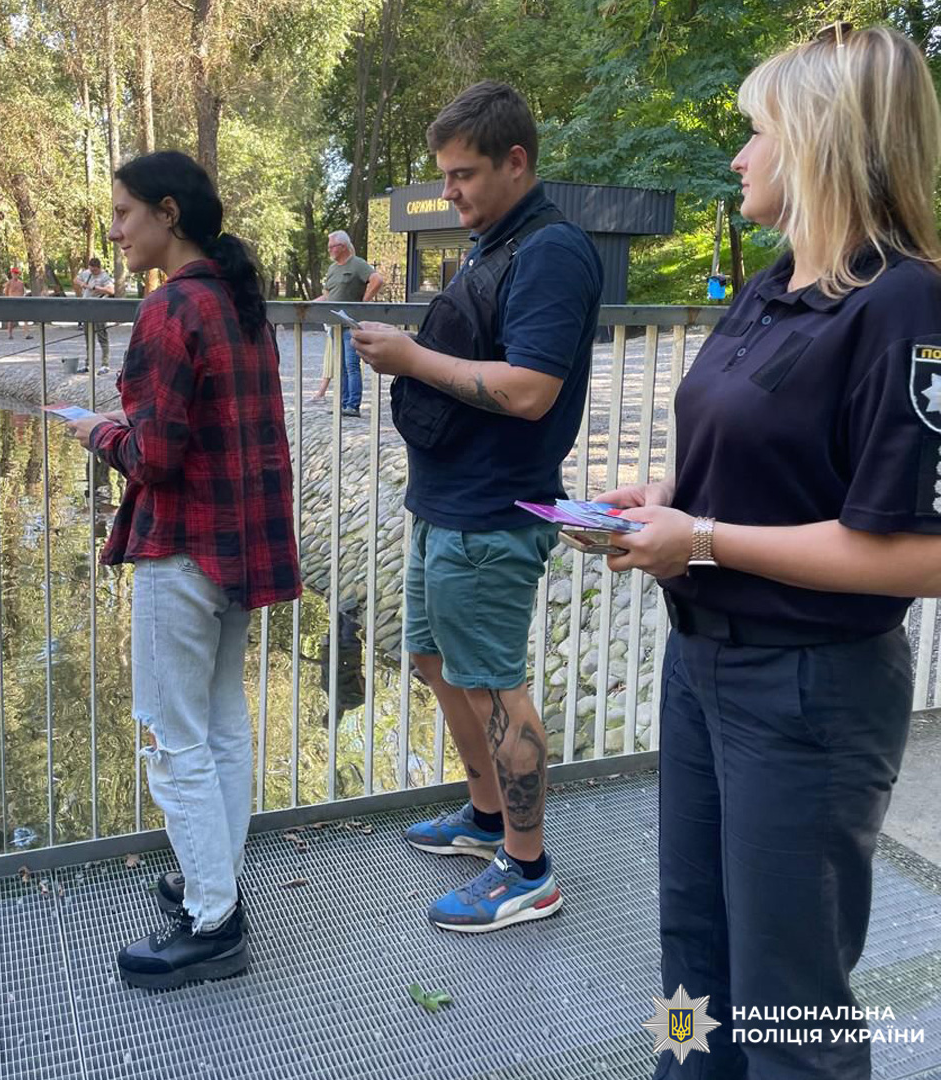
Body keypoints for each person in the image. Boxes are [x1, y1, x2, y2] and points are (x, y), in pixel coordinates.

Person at [597, 24, 941, 1079]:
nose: (738, 158)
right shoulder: (777, 281)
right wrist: (670, 494)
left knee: (791, 1001)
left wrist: (698, 537)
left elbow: (919, 557)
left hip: (808, 692)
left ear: (822, 142)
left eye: (756, 134)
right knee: (692, 963)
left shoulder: (907, 303)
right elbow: (761, 458)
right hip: (702, 663)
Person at [352, 81, 603, 932]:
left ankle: (529, 870)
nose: (448, 190)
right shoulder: (492, 243)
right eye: (445, 175)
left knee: (498, 687)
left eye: (462, 174)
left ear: (516, 162)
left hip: (495, 513)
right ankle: (487, 816)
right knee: (433, 661)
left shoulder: (553, 252)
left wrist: (411, 359)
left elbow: (532, 390)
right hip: (445, 504)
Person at [67, 150, 301, 989]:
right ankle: (216, 882)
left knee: (174, 738)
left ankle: (214, 923)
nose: (117, 230)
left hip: (185, 547)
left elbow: (153, 456)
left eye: (124, 213)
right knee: (224, 722)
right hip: (242, 547)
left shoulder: (170, 310)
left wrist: (92, 430)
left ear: (168, 213)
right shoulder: (239, 303)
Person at [312, 231, 383, 415]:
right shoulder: (332, 269)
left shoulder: (357, 264)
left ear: (342, 246)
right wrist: (309, 306)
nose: (329, 250)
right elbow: (328, 295)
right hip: (334, 326)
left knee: (352, 365)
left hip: (350, 325)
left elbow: (377, 280)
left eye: (332, 247)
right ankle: (342, 404)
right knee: (340, 366)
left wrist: (362, 303)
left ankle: (353, 405)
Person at [73, 256, 115, 372]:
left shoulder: (104, 277)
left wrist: (96, 288)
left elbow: (111, 291)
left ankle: (105, 364)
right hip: (87, 308)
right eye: (91, 270)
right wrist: (83, 284)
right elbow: (76, 280)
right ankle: (88, 364)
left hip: (99, 309)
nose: (92, 272)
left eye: (94, 270)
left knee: (102, 336)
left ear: (99, 268)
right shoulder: (86, 273)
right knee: (88, 337)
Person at [1, 267, 27, 339]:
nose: (15, 275)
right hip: (12, 302)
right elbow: (6, 293)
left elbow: (23, 292)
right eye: (14, 273)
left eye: (16, 273)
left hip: (20, 302)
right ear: (12, 274)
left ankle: (26, 334)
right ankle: (10, 334)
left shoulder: (21, 283)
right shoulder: (9, 283)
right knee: (10, 319)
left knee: (26, 318)